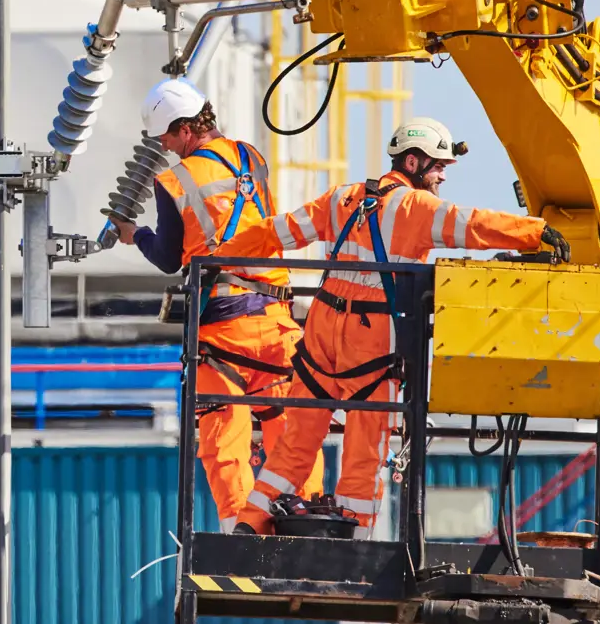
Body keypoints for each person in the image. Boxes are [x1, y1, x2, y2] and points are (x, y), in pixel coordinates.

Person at [228, 116, 570, 538]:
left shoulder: (342, 198)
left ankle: (250, 524)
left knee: (295, 442)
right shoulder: (416, 207)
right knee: (364, 450)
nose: (443, 176)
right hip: (369, 343)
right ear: (412, 162)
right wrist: (536, 232)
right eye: (438, 166)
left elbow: (277, 231)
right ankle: (354, 543)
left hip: (320, 333)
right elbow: (473, 225)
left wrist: (217, 258)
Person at [112, 78, 322, 532]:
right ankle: (307, 521)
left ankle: (240, 534)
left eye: (166, 137)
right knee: (293, 429)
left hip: (225, 332)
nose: (164, 146)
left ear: (186, 129)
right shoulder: (252, 157)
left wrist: (135, 235)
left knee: (224, 437)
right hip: (278, 320)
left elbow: (169, 258)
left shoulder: (174, 181)